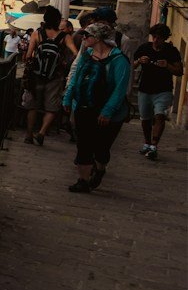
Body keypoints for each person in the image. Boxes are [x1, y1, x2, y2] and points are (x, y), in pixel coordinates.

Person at [63, 21, 131, 193]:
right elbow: (76, 77)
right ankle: (83, 181)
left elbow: (120, 89)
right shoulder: (87, 55)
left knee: (101, 148)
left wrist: (107, 111)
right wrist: (68, 98)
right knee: (84, 145)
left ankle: (100, 169)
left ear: (98, 38)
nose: (83, 38)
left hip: (107, 111)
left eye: (87, 35)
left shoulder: (119, 60)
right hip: (84, 106)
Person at [134, 23, 183, 160]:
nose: (156, 40)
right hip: (145, 89)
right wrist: (139, 61)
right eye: (154, 37)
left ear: (165, 38)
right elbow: (131, 65)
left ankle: (154, 146)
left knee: (160, 116)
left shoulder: (171, 51)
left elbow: (179, 71)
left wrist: (167, 65)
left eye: (159, 38)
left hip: (163, 90)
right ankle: (147, 143)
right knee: (145, 118)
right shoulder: (144, 48)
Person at [23, 8, 64, 145]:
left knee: (32, 106)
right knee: (51, 108)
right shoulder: (64, 36)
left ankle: (29, 135)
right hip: (54, 76)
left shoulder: (37, 33)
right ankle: (41, 132)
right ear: (58, 20)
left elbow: (29, 55)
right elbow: (76, 53)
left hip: (36, 75)